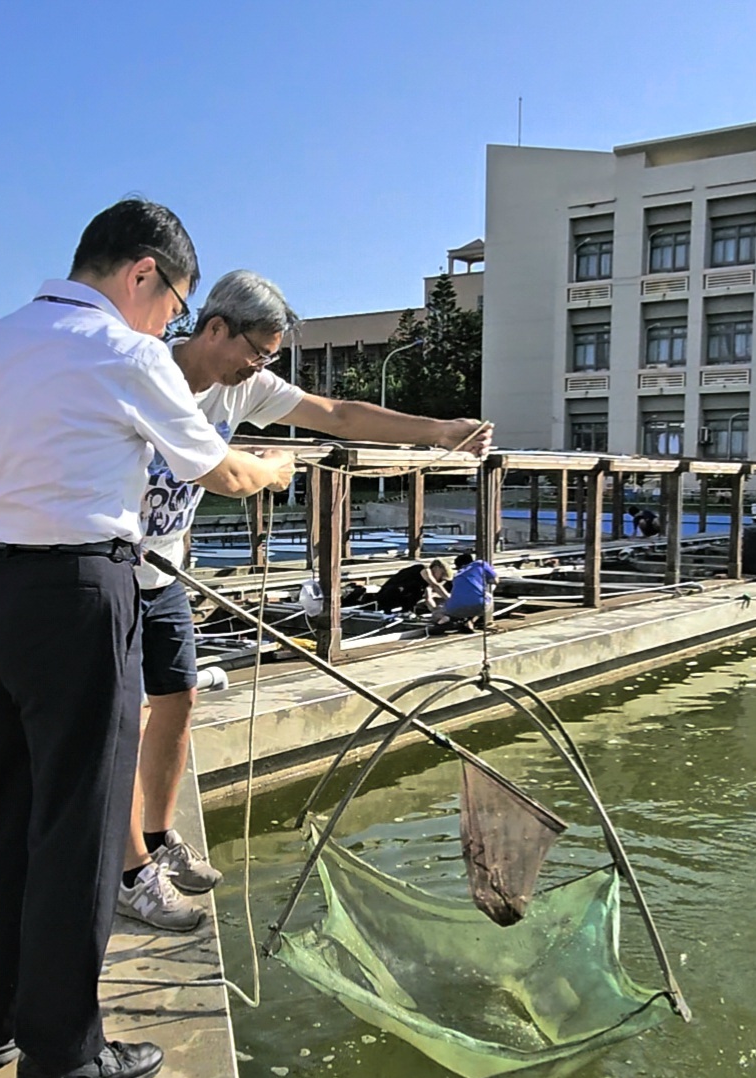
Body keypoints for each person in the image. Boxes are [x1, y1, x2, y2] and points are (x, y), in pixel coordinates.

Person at [0, 202, 294, 1078]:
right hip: (80, 599)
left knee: (3, 814)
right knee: (80, 829)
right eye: (174, 304)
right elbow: (223, 472)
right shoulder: (124, 356)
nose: (170, 323)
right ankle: (63, 1057)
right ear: (142, 274)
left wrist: (19, 528)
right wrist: (280, 470)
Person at [119, 270, 494, 929]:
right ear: (214, 328)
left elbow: (336, 415)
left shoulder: (245, 388)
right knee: (123, 726)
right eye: (256, 352)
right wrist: (267, 469)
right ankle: (130, 875)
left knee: (177, 701)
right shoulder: (143, 370)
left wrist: (439, 431)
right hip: (110, 571)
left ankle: (157, 838)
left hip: (165, 573)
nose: (259, 368)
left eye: (269, 357)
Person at [432, 551, 499, 633]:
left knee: (444, 611)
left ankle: (447, 620)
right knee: (487, 597)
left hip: (454, 608)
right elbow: (496, 580)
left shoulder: (457, 575)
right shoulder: (480, 564)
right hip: (479, 604)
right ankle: (474, 621)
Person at [375, 559, 451, 614]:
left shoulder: (427, 584)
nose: (441, 581)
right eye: (441, 576)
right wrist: (451, 599)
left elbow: (428, 599)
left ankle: (405, 612)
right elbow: (435, 586)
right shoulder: (424, 570)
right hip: (388, 595)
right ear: (436, 568)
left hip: (402, 602)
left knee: (417, 593)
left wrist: (435, 611)